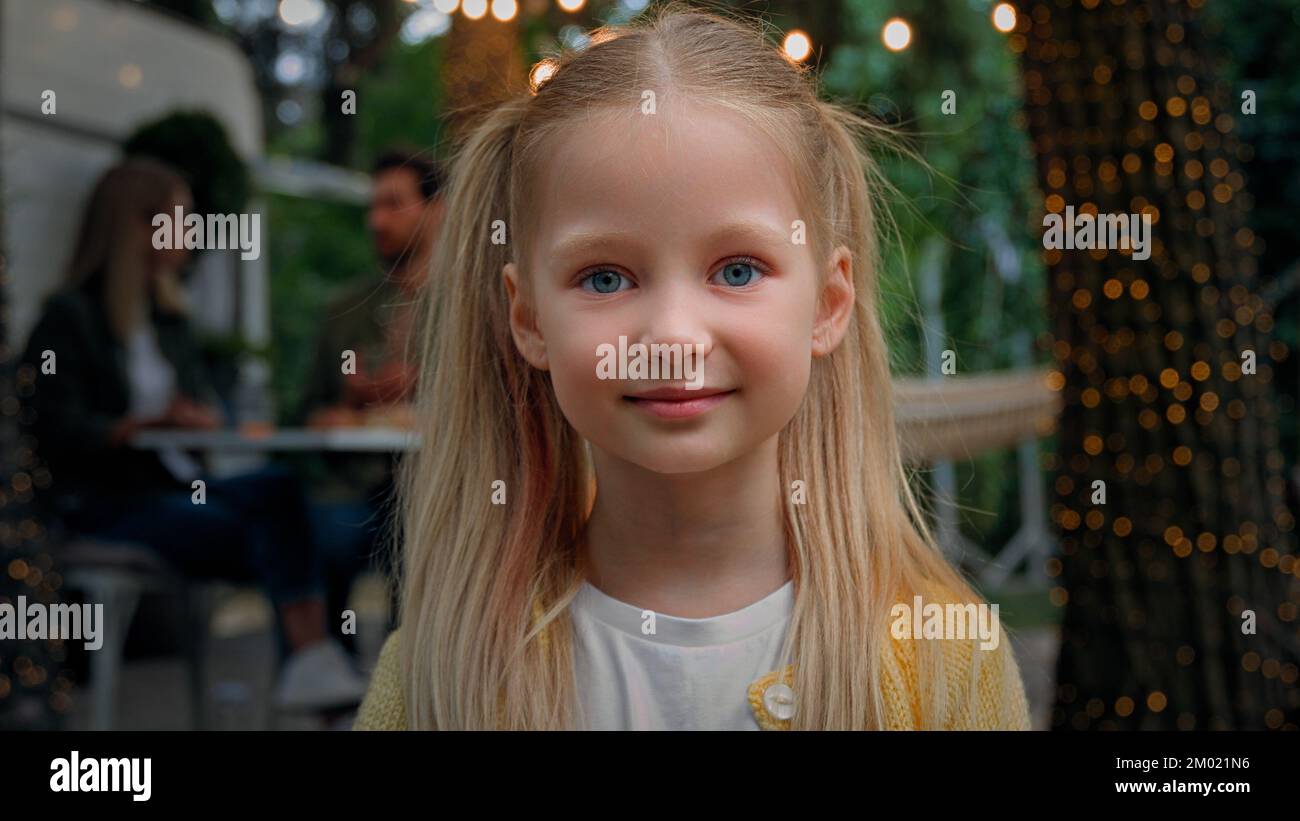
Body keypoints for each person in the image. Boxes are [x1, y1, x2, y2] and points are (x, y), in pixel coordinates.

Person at [354, 4, 1031, 730]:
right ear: (528, 318)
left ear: (828, 303)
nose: (673, 337)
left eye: (738, 270)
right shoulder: (440, 671)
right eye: (605, 278)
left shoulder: (944, 660)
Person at [19, 157, 367, 711]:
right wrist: (139, 426)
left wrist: (198, 418)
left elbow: (200, 404)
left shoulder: (168, 321)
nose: (191, 235)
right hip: (108, 502)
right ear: (138, 226)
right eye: (180, 220)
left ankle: (312, 663)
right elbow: (53, 428)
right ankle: (318, 676)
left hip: (176, 485)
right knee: (291, 541)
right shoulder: (69, 318)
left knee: (279, 491)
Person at [292, 149, 446, 657]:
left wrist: (423, 390)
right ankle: (328, 679)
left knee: (421, 537)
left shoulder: (471, 305)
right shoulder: (346, 309)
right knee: (324, 533)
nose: (376, 219)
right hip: (353, 483)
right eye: (372, 206)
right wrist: (340, 412)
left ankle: (407, 681)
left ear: (437, 209)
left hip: (437, 482)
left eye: (394, 204)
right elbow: (305, 411)